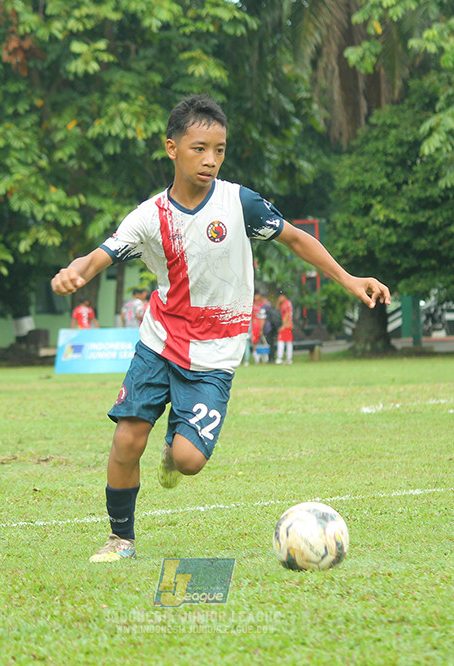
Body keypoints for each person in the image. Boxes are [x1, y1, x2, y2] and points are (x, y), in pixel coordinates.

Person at [50, 94, 390, 563]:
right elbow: (103, 253)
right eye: (199, 148)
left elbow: (294, 237)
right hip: (160, 342)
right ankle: (120, 539)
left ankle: (176, 446)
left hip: (216, 354)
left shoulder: (239, 203)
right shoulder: (151, 215)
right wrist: (78, 271)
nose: (210, 160)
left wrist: (349, 278)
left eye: (220, 149)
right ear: (172, 148)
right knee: (127, 438)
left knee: (188, 462)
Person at [276, 291, 294, 364]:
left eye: (280, 297)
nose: (279, 298)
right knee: (288, 341)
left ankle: (280, 358)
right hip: (288, 325)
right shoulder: (285, 303)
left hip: (286, 325)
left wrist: (283, 326)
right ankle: (289, 359)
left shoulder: (286, 304)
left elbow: (286, 314)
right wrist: (278, 302)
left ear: (284, 296)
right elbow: (277, 309)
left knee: (281, 340)